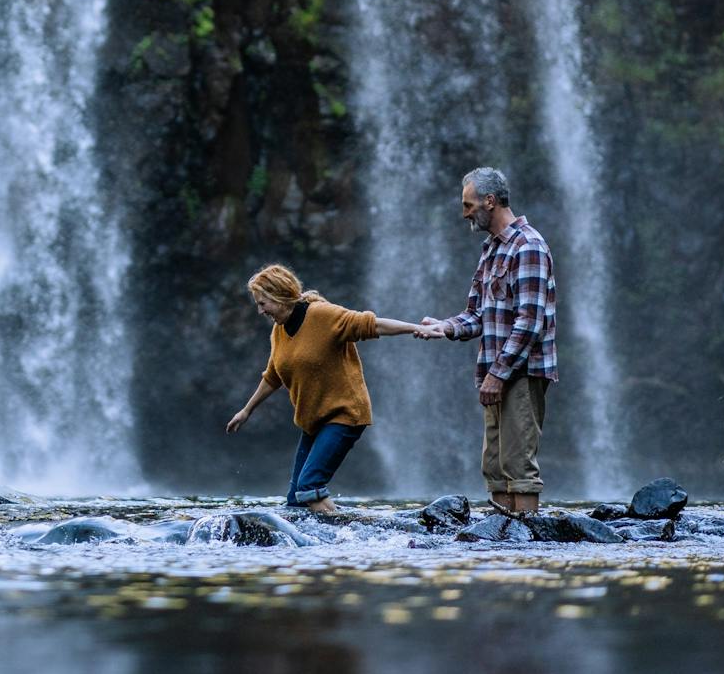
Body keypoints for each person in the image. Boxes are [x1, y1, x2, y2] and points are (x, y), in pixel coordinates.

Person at [225, 263, 432, 514]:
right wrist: (247, 411)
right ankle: (323, 544)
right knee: (296, 503)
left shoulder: (323, 315)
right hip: (313, 422)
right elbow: (273, 376)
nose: (260, 311)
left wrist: (417, 328)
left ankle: (348, 537)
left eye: (262, 303)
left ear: (278, 296)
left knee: (309, 486)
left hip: (344, 415)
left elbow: (372, 325)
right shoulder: (279, 331)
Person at [416, 166, 557, 517]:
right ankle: (501, 547)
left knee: (518, 468)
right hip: (496, 372)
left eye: (468, 205)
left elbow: (530, 322)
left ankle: (525, 549)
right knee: (495, 468)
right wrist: (444, 327)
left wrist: (497, 374)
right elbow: (477, 313)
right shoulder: (491, 249)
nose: (464, 213)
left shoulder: (529, 246)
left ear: (489, 201)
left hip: (520, 374)